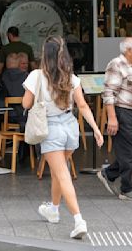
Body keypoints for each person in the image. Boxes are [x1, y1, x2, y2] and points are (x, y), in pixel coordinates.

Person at [22, 36, 103, 239]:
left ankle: (78, 220)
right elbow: (83, 106)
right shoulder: (72, 78)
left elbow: (25, 104)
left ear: (44, 54)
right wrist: (95, 129)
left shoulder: (36, 76)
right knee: (59, 172)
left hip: (50, 129)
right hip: (70, 127)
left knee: (63, 174)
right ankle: (54, 210)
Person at [97, 38, 132, 201]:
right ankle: (126, 188)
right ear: (128, 51)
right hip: (122, 112)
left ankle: (109, 173)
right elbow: (108, 93)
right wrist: (112, 118)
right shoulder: (116, 65)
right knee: (128, 152)